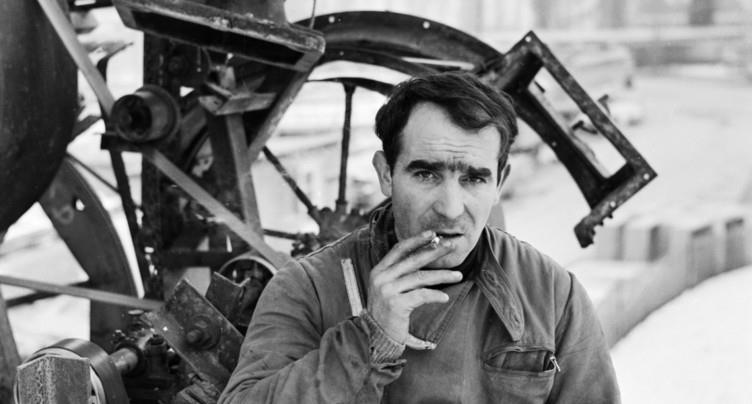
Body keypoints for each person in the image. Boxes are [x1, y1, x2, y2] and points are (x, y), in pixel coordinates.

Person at [219, 72, 620, 403]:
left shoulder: (552, 294)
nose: (450, 208)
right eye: (426, 174)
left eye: (474, 178)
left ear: (500, 182)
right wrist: (370, 340)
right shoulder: (306, 289)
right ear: (386, 174)